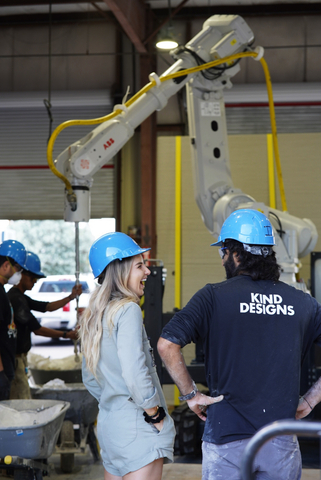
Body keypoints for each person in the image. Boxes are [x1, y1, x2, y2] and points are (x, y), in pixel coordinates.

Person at [157, 208, 321, 480]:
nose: (222, 260)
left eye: (223, 252)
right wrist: (311, 400)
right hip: (280, 438)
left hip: (225, 437)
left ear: (235, 254)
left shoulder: (212, 297)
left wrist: (191, 395)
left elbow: (166, 345)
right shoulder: (301, 302)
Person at [79, 232, 176, 480]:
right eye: (139, 266)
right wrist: (155, 415)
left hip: (110, 425)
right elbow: (135, 372)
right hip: (138, 424)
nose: (147, 272)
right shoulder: (128, 309)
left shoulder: (93, 315)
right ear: (120, 270)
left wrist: (116, 400)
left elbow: (89, 378)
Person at [7, 251, 81, 399]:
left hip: (20, 358)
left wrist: (71, 297)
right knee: (21, 399)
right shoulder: (16, 299)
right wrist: (67, 335)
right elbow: (38, 330)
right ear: (22, 274)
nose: (35, 282)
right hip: (15, 359)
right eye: (33, 277)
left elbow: (47, 307)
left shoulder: (20, 296)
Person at [0, 239, 27, 401]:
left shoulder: (2, 290)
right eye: (18, 269)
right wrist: (1, 371)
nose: (19, 274)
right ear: (5, 266)